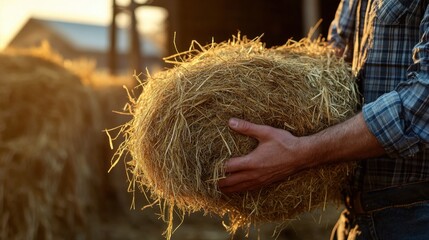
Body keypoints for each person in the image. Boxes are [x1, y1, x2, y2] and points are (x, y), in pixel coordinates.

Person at [218, 0, 429, 239]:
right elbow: (331, 64)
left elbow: (421, 103)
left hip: (417, 217)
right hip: (353, 218)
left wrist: (299, 153)